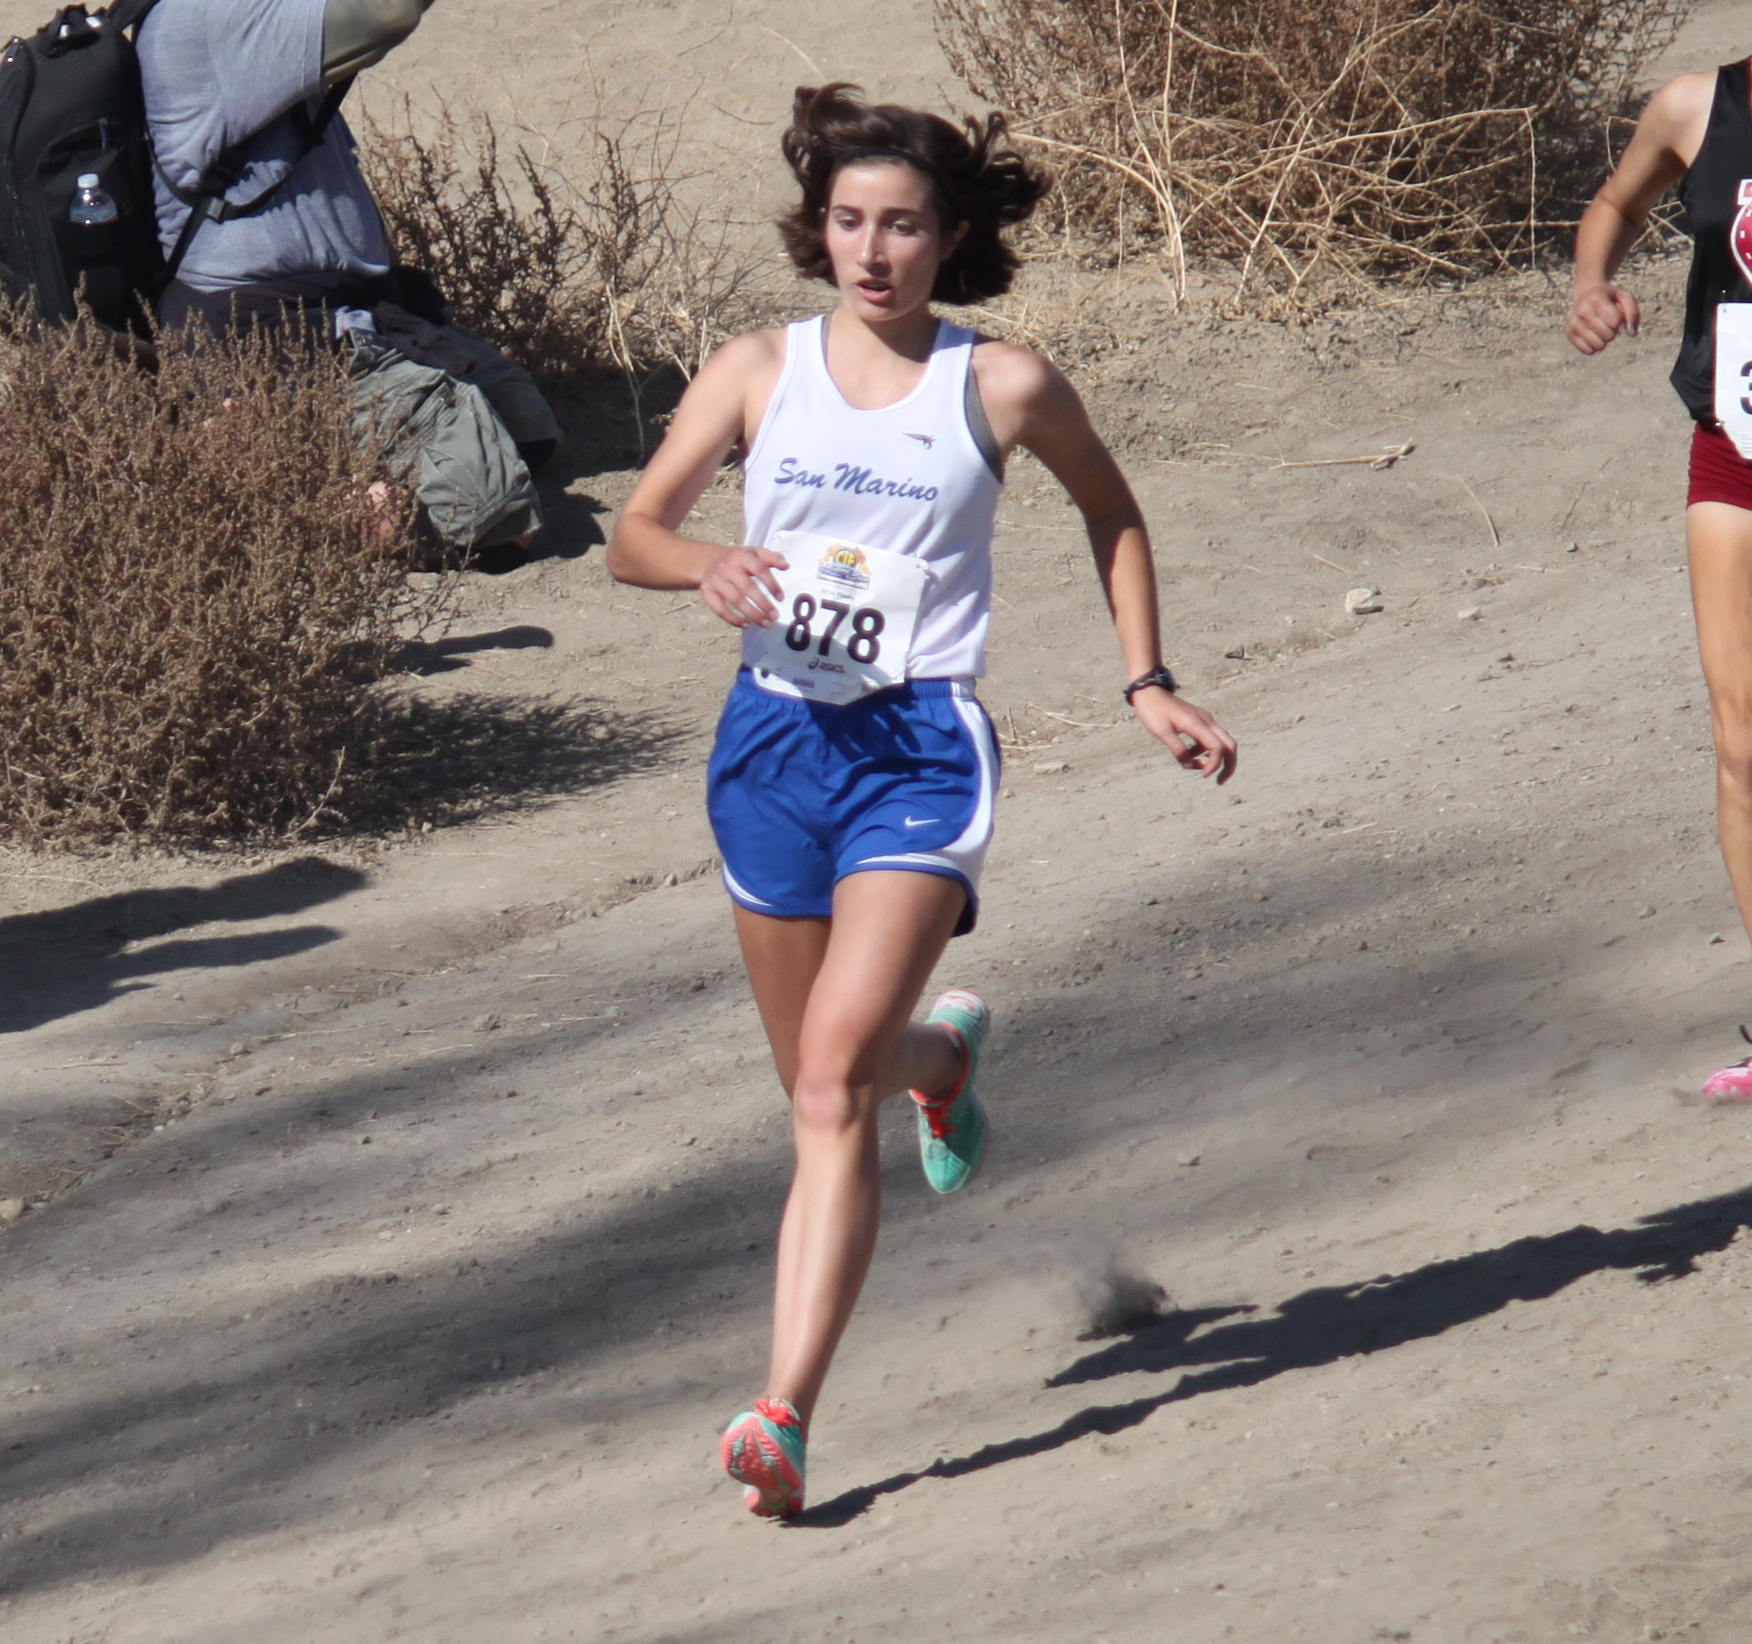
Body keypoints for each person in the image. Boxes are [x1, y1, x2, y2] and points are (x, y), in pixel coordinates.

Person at [606, 82, 1238, 1518]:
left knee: (834, 1080)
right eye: (848, 222)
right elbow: (632, 534)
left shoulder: (1000, 385)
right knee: (823, 1084)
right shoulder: (757, 369)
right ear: (818, 230)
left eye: (901, 226)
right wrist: (704, 562)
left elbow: (1112, 510)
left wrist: (1147, 680)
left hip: (917, 757)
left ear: (950, 237)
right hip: (770, 752)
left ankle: (782, 1414)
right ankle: (939, 1061)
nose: (873, 251)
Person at [137, 0, 558, 557]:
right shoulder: (205, 17)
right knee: (498, 525)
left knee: (531, 434)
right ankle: (264, 493)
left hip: (351, 313)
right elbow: (385, 12)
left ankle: (292, 457)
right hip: (267, 337)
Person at [1568, 56, 1752, 1099]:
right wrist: (1590, 283)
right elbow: (1616, 204)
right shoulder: (1697, 106)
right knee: (1742, 742)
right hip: (1734, 453)